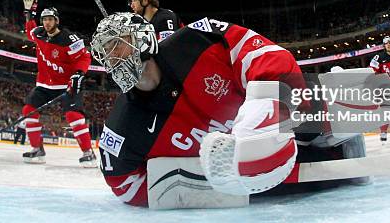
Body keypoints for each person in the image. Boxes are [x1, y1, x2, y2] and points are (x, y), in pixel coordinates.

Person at [90, 13, 368, 207]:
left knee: (364, 94)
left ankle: (333, 127)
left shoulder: (195, 40)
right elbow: (122, 184)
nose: (112, 57)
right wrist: (207, 183)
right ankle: (335, 156)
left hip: (277, 121)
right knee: (272, 173)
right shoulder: (121, 128)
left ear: (143, 38)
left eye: (117, 44)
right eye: (105, 52)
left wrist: (266, 107)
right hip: (246, 177)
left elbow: (267, 55)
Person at [21, 0, 97, 167]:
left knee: (73, 115)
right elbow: (30, 29)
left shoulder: (69, 39)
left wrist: (79, 73)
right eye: (44, 19)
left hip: (66, 85)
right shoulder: (39, 33)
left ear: (56, 21)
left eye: (50, 19)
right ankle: (37, 150)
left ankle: (88, 153)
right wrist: (28, 13)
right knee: (29, 110)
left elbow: (84, 57)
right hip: (44, 85)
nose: (46, 23)